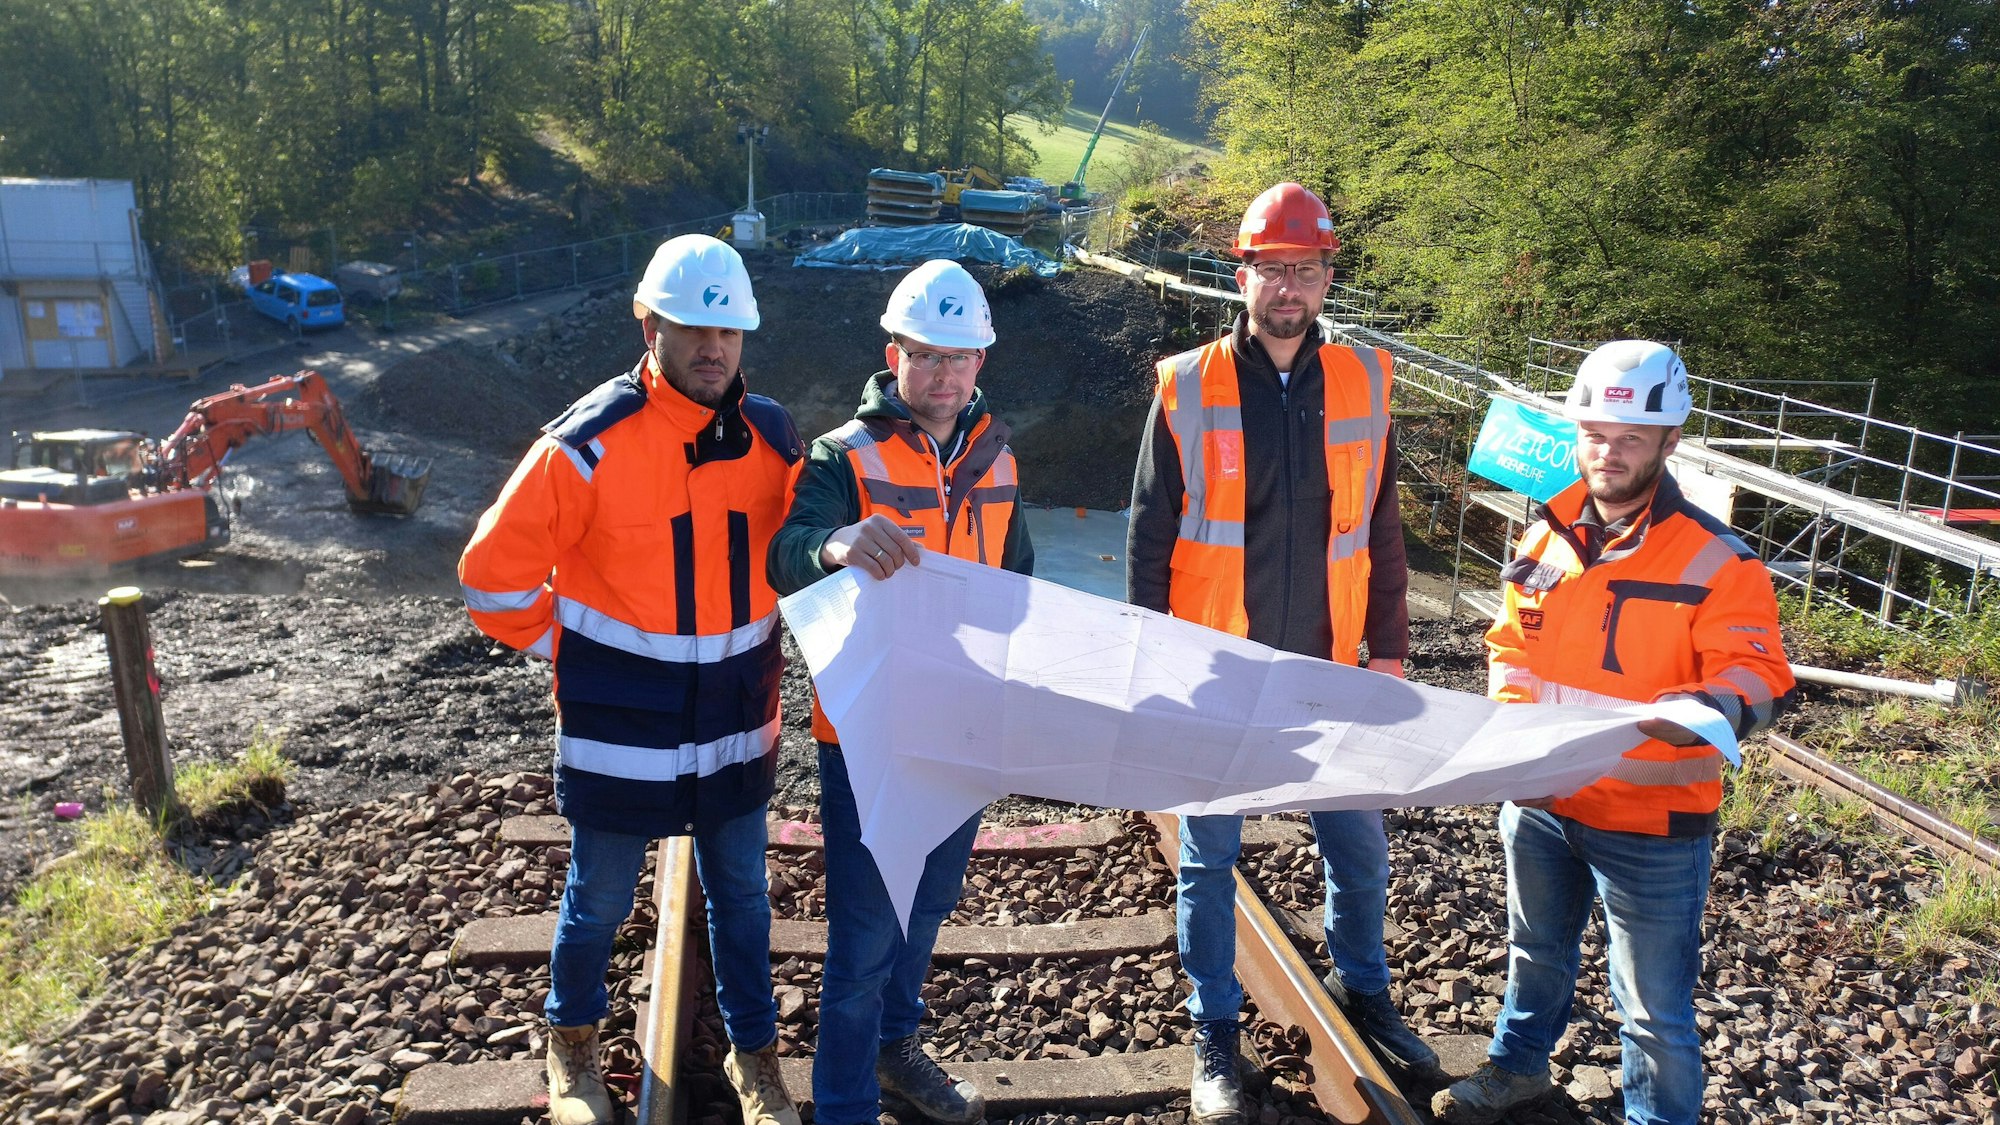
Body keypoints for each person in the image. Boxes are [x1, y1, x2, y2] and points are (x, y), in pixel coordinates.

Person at [459, 234, 804, 1125]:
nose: (711, 347)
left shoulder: (772, 439)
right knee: (599, 898)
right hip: (622, 729)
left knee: (743, 906)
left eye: (727, 332)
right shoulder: (588, 444)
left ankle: (755, 1059)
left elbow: (812, 552)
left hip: (735, 722)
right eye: (691, 327)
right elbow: (489, 579)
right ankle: (571, 1044)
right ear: (648, 324)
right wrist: (569, 650)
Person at [1126, 181, 1436, 1123]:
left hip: (1331, 666)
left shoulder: (1366, 380)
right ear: (1244, 273)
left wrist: (1388, 647)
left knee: (1358, 849)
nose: (1289, 286)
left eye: (1305, 269)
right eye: (1272, 269)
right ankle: (1214, 1029)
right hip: (1220, 673)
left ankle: (1364, 990)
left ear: (1326, 275)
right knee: (1207, 860)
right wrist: (1151, 664)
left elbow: (1381, 531)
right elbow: (1149, 535)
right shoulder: (1186, 384)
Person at [1432, 340, 1795, 1125]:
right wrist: (1512, 718)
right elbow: (1511, 645)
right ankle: (1518, 1070)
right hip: (1541, 801)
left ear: (1670, 441)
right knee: (1534, 956)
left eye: (1632, 438)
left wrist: (1710, 708)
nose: (1610, 452)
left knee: (1652, 1008)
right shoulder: (1546, 535)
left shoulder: (1718, 560)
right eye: (1596, 433)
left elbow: (1760, 676)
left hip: (1651, 823)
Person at [767, 259, 1033, 1125]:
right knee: (865, 934)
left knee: (925, 910)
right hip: (870, 737)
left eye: (961, 358)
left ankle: (895, 1050)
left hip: (960, 730)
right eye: (927, 356)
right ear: (895, 354)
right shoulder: (842, 456)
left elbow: (1019, 581)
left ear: (981, 363)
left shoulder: (998, 457)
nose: (945, 375)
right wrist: (835, 542)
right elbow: (785, 552)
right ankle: (842, 1102)